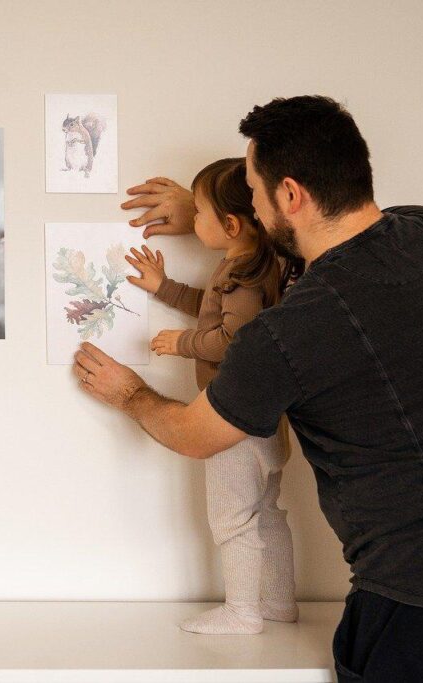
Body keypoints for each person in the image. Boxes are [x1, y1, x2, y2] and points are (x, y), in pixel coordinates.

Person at [74, 96, 423, 681]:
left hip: (420, 614)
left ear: (290, 195)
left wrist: (130, 393)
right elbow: (324, 253)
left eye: (253, 191)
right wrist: (209, 215)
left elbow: (195, 435)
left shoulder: (287, 333)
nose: (252, 203)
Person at [126, 157, 297, 634]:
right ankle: (279, 603)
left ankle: (243, 611)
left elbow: (231, 337)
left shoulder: (242, 275)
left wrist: (180, 344)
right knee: (267, 514)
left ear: (230, 224)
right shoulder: (249, 267)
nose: (191, 221)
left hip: (232, 420)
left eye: (198, 213)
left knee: (233, 518)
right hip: (268, 419)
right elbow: (210, 306)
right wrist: (164, 288)